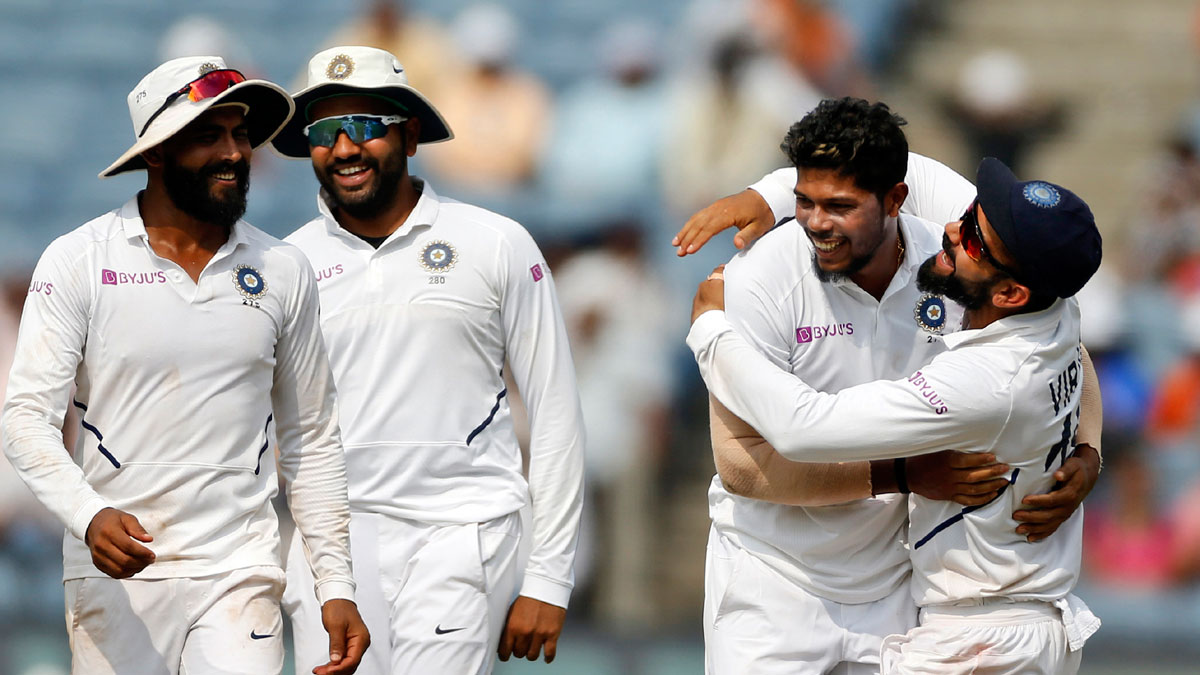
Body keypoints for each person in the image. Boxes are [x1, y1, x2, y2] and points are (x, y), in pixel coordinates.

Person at [673, 98, 1101, 674]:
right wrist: (903, 474)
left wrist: (708, 330)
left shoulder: (953, 270)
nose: (816, 224)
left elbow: (1064, 343)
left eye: (841, 206)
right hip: (772, 581)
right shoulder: (759, 279)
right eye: (805, 202)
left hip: (904, 595)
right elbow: (740, 467)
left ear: (895, 200)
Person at [0, 56, 368, 675]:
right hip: (116, 575)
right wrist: (88, 516)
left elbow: (311, 436)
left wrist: (336, 584)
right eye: (207, 136)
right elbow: (25, 419)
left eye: (240, 135)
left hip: (239, 569)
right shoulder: (78, 260)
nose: (233, 153)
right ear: (155, 152)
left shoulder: (283, 271)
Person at [269, 46, 585, 675]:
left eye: (364, 126)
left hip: (463, 531)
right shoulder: (285, 265)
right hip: (331, 548)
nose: (345, 148)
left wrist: (550, 577)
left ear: (409, 134)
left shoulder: (495, 243)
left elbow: (555, 411)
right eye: (325, 133)